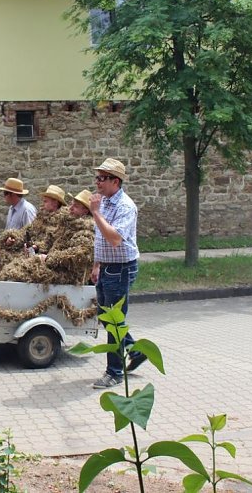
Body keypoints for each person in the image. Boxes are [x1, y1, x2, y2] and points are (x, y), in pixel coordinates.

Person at [90, 157, 144, 389]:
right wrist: (96, 264)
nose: (98, 182)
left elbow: (113, 238)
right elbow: (99, 238)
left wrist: (95, 213)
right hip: (106, 267)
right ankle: (135, 351)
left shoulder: (125, 206)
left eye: (102, 178)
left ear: (115, 181)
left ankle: (114, 372)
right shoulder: (104, 202)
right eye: (97, 178)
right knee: (105, 317)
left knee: (114, 320)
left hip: (121, 269)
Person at [0, 189, 94, 285]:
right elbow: (47, 240)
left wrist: (48, 258)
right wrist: (34, 246)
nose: (70, 208)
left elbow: (79, 255)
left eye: (75, 206)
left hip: (67, 274)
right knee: (7, 264)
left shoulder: (86, 230)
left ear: (85, 211)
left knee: (18, 272)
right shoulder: (64, 223)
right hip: (50, 263)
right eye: (71, 204)